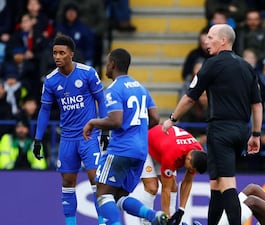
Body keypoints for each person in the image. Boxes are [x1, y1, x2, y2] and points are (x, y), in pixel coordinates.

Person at [162, 24, 263, 225]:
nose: (206, 41)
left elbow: (191, 97)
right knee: (216, 185)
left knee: (226, 184)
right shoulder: (247, 67)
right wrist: (256, 134)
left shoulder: (212, 64)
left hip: (221, 131)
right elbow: (257, 104)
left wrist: (172, 119)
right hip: (241, 131)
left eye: (210, 37)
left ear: (223, 40)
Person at [82, 48, 168, 225]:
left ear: (112, 64)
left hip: (121, 149)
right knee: (119, 196)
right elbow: (155, 118)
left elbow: (116, 121)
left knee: (103, 193)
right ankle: (153, 216)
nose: (106, 66)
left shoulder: (114, 89)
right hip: (141, 152)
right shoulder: (140, 88)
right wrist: (137, 131)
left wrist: (93, 123)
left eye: (107, 63)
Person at [33, 34, 107, 225]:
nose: (57, 56)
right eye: (55, 53)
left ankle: (103, 222)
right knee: (67, 183)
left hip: (89, 136)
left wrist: (105, 129)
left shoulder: (88, 73)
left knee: (96, 181)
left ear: (71, 54)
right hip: (67, 138)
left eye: (61, 53)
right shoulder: (50, 81)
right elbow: (45, 110)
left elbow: (101, 100)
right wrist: (38, 139)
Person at [133, 125, 207, 225]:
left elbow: (187, 182)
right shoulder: (173, 155)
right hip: (147, 146)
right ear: (188, 158)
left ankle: (173, 218)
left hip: (162, 147)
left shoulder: (197, 153)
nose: (189, 170)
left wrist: (181, 210)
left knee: (173, 187)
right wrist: (166, 218)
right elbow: (165, 189)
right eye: (190, 168)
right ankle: (146, 222)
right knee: (152, 187)